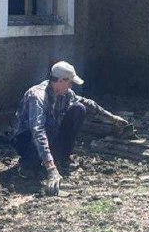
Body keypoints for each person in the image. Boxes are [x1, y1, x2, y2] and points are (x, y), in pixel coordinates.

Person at [11, 61, 129, 196]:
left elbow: (88, 103)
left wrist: (113, 118)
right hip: (26, 141)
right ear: (60, 81)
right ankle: (28, 164)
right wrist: (51, 169)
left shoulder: (66, 94)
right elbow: (37, 130)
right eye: (70, 82)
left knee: (79, 108)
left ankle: (62, 158)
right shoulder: (37, 96)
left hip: (49, 134)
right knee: (49, 123)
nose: (71, 86)